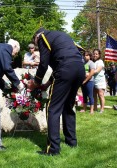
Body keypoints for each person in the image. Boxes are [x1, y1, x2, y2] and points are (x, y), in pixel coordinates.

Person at [27, 28, 85, 156]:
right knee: (68, 106)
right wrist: (47, 84)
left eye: (36, 44)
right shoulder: (60, 36)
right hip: (79, 69)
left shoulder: (42, 37)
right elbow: (62, 63)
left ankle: (53, 149)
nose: (37, 46)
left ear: (36, 37)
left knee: (53, 109)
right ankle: (71, 142)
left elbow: (43, 64)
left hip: (66, 69)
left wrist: (35, 82)